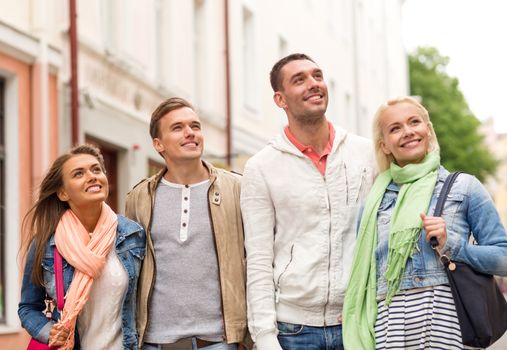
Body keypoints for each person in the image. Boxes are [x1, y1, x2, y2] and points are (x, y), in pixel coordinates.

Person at [342, 96, 507, 349]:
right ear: (384, 145)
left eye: (414, 122)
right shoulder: (372, 202)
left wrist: (452, 244)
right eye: (395, 128)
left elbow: (503, 258)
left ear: (428, 131)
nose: (407, 132)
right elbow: (363, 272)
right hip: (389, 327)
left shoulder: (464, 187)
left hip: (445, 321)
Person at [240, 53, 377, 350]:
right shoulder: (261, 167)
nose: (314, 84)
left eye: (317, 75)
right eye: (299, 80)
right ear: (280, 99)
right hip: (294, 331)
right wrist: (264, 337)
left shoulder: (366, 154)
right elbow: (259, 259)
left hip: (359, 323)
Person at [125, 97, 249, 350]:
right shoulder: (139, 198)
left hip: (219, 342)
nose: (190, 133)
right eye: (178, 127)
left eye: (195, 126)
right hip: (155, 342)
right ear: (158, 144)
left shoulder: (237, 189)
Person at [18, 144, 146, 350]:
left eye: (96, 170)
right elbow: (28, 307)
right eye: (79, 174)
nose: (92, 176)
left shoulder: (133, 235)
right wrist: (47, 331)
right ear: (62, 193)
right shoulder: (47, 243)